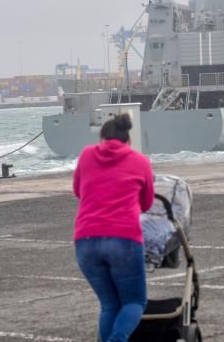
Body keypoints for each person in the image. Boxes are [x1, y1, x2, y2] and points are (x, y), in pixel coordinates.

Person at [73, 113, 155, 342]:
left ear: (102, 139)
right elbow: (146, 204)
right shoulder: (140, 161)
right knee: (134, 302)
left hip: (85, 240)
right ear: (128, 141)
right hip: (123, 239)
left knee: (109, 305)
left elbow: (78, 191)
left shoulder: (87, 155)